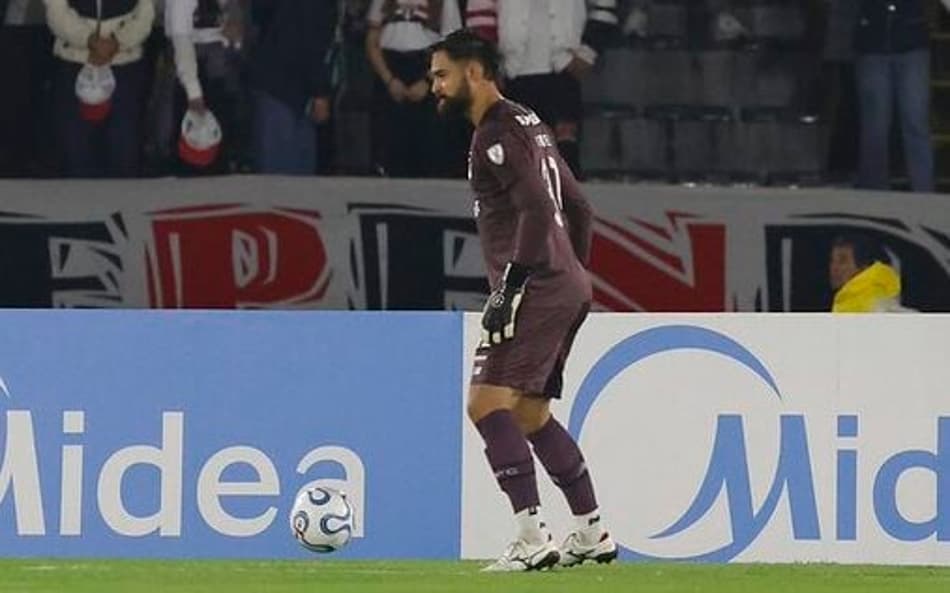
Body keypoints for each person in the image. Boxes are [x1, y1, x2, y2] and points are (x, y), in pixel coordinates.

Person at [429, 28, 617, 572]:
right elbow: (579, 206)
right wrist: (573, 272)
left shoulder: (494, 134)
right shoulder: (529, 122)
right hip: (564, 284)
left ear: (474, 71)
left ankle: (532, 538)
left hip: (534, 287)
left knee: (485, 404)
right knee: (531, 413)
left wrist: (513, 287)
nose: (435, 87)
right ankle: (592, 532)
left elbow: (538, 208)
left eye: (442, 74)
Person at [463, 0, 621, 176]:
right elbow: (479, 14)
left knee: (564, 156)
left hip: (564, 68)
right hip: (512, 69)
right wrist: (489, 62)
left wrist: (588, 52)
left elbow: (605, 7)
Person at [45, 0, 155, 178]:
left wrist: (118, 42)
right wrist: (88, 40)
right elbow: (55, 10)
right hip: (73, 61)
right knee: (75, 151)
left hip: (125, 64)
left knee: (124, 149)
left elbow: (146, 13)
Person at [853, 0, 950, 193]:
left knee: (916, 123)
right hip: (873, 45)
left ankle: (924, 195)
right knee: (875, 127)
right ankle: (874, 196)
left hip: (912, 45)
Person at [365, 0, 464, 177]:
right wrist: (389, 80)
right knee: (390, 148)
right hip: (390, 69)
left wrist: (428, 81)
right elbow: (372, 42)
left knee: (429, 150)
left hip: (427, 68)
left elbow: (452, 46)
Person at [246, 0, 337, 175]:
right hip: (283, 89)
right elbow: (310, 41)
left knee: (293, 180)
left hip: (289, 89)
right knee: (282, 179)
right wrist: (320, 92)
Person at [164, 0, 246, 174]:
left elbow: (233, 12)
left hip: (221, 65)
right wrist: (194, 93)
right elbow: (181, 40)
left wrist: (236, 32)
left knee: (222, 143)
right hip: (188, 68)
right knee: (189, 143)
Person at [829, 234, 904, 313]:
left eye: (842, 261)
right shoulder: (887, 302)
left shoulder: (852, 305)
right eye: (832, 260)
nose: (834, 268)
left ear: (864, 267)